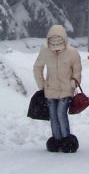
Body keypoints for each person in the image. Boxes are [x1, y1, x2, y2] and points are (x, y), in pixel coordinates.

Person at [33, 24, 82, 153]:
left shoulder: (72, 53)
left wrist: (73, 84)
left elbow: (77, 71)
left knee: (61, 112)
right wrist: (42, 84)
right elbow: (37, 67)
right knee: (53, 115)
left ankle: (67, 139)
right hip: (50, 90)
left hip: (66, 90)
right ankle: (57, 139)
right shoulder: (44, 52)